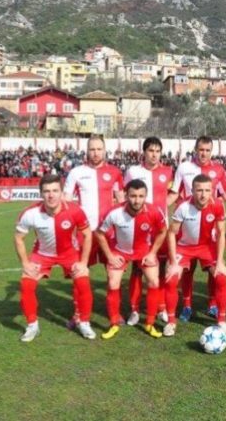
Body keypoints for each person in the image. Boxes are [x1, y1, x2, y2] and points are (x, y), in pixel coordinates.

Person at [13, 174, 95, 342]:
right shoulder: (30, 213)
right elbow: (18, 238)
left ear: (61, 193)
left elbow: (87, 235)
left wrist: (83, 262)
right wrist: (25, 263)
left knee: (83, 282)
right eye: (47, 191)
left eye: (55, 191)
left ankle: (84, 322)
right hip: (42, 254)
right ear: (41, 194)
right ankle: (32, 326)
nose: (51, 195)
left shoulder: (75, 210)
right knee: (26, 284)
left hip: (69, 253)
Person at [168, 136, 226, 321]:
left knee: (215, 272)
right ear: (195, 150)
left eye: (207, 150)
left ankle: (213, 304)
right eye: (201, 150)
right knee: (187, 271)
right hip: (186, 226)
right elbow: (174, 193)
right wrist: (157, 207)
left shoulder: (219, 169)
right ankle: (187, 306)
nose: (204, 153)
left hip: (208, 231)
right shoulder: (184, 167)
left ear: (211, 151)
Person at [64, 136, 124, 329]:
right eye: (92, 149)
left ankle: (115, 314)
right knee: (80, 273)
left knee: (113, 273)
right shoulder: (76, 173)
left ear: (105, 150)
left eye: (99, 149)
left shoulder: (115, 172)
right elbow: (66, 203)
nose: (96, 153)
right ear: (86, 151)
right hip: (84, 233)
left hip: (108, 233)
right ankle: (78, 314)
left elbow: (121, 202)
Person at [95, 179, 167, 339]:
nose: (137, 200)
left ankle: (149, 323)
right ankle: (114, 324)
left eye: (141, 196)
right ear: (126, 195)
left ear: (146, 196)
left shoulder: (154, 211)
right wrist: (110, 256)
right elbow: (99, 233)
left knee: (154, 281)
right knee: (113, 282)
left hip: (144, 251)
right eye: (133, 196)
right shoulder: (114, 212)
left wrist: (152, 253)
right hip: (120, 251)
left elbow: (163, 231)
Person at [163, 174, 226, 336]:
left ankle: (221, 320)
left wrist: (220, 261)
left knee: (221, 277)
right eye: (199, 190)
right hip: (184, 247)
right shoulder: (183, 206)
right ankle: (172, 321)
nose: (203, 194)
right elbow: (171, 233)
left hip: (207, 247)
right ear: (192, 191)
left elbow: (221, 233)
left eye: (207, 190)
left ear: (212, 191)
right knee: (171, 279)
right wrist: (173, 262)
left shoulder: (218, 205)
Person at [122, 137, 174, 326]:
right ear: (144, 152)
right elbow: (124, 195)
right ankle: (135, 310)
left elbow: (173, 193)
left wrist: (162, 208)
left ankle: (160, 307)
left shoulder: (168, 171)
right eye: (151, 151)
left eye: (157, 151)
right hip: (139, 228)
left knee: (161, 268)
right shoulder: (133, 171)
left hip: (160, 228)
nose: (154, 155)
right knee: (137, 269)